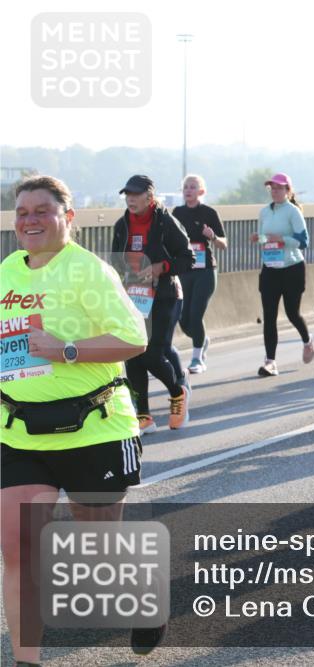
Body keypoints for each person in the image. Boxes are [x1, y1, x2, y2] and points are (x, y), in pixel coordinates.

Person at [1, 176, 161, 665]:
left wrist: (65, 350)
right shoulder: (8, 269)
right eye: (22, 211)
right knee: (18, 549)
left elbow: (134, 339)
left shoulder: (87, 271)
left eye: (42, 210)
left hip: (93, 427)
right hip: (20, 431)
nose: (30, 220)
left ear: (67, 217)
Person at [112, 175, 193, 433]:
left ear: (150, 197)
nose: (130, 199)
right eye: (127, 194)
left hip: (165, 295)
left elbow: (188, 258)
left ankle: (177, 392)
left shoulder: (166, 222)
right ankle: (144, 416)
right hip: (135, 297)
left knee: (152, 353)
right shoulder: (121, 225)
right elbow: (115, 261)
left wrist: (161, 267)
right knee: (133, 355)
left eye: (135, 195)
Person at [250, 173, 314, 377]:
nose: (275, 191)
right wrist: (258, 238)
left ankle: (307, 340)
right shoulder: (264, 212)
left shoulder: (293, 211)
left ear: (288, 190)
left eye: (279, 188)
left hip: (292, 268)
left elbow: (303, 241)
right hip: (270, 267)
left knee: (292, 313)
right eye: (272, 188)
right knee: (269, 316)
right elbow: (265, 238)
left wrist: (283, 238)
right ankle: (270, 362)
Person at [172, 174, 226, 374]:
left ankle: (196, 359)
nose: (188, 190)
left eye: (193, 187)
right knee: (183, 319)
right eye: (185, 187)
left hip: (205, 271)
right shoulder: (177, 213)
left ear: (201, 191)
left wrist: (212, 237)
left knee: (196, 314)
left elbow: (223, 244)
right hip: (185, 271)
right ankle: (201, 340)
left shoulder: (209, 213)